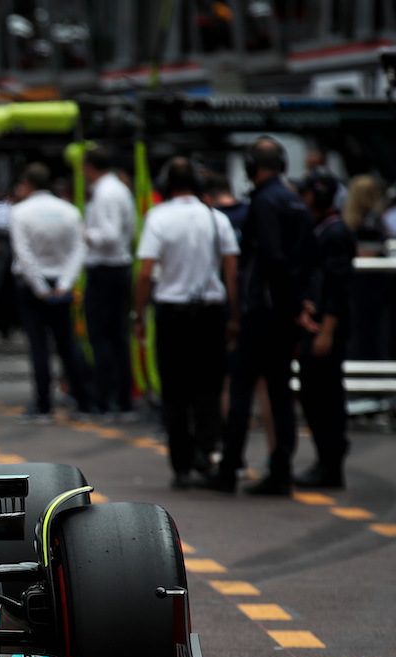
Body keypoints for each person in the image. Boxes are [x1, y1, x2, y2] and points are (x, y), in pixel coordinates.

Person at [200, 138, 316, 496]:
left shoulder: (264, 202)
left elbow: (270, 257)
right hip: (284, 313)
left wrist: (277, 305)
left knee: (240, 390)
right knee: (280, 393)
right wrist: (298, 305)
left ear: (254, 166)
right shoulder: (295, 200)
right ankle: (280, 469)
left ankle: (230, 467)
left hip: (263, 312)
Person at [133, 158, 240, 489]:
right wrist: (234, 315)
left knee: (175, 391)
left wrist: (138, 314)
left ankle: (180, 465)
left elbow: (147, 271)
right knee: (208, 387)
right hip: (209, 312)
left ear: (166, 186)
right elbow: (231, 270)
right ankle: (205, 454)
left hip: (173, 315)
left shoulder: (158, 217)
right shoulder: (216, 218)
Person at [9, 162, 91, 421]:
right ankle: (83, 401)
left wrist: (41, 288)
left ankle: (44, 405)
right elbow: (79, 249)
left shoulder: (20, 212)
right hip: (61, 285)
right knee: (68, 345)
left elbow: (24, 254)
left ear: (28, 184)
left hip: (33, 287)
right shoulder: (69, 210)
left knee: (39, 346)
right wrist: (64, 284)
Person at [295, 170, 355, 489]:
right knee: (313, 396)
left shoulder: (335, 234)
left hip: (326, 331)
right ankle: (325, 462)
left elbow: (338, 287)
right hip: (317, 324)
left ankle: (330, 466)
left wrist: (327, 330)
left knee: (325, 397)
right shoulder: (323, 230)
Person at [83, 147, 137, 418]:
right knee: (118, 338)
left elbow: (110, 235)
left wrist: (85, 234)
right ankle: (124, 399)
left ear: (89, 167)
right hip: (120, 267)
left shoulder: (104, 193)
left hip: (105, 268)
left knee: (101, 338)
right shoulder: (120, 189)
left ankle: (104, 400)